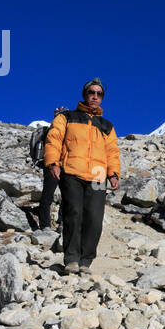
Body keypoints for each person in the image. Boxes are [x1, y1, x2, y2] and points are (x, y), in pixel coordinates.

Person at [44, 78, 120, 275]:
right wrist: (53, 162)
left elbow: (112, 152)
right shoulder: (67, 117)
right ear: (85, 95)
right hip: (72, 173)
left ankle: (86, 261)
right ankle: (71, 259)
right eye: (91, 92)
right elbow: (54, 139)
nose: (95, 96)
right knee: (73, 214)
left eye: (99, 93)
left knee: (94, 218)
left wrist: (113, 174)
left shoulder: (107, 125)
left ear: (102, 97)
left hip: (97, 176)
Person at [32, 106, 64, 233]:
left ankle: (46, 225)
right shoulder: (54, 130)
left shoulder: (52, 130)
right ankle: (56, 224)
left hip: (50, 166)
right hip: (54, 165)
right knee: (62, 195)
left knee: (48, 195)